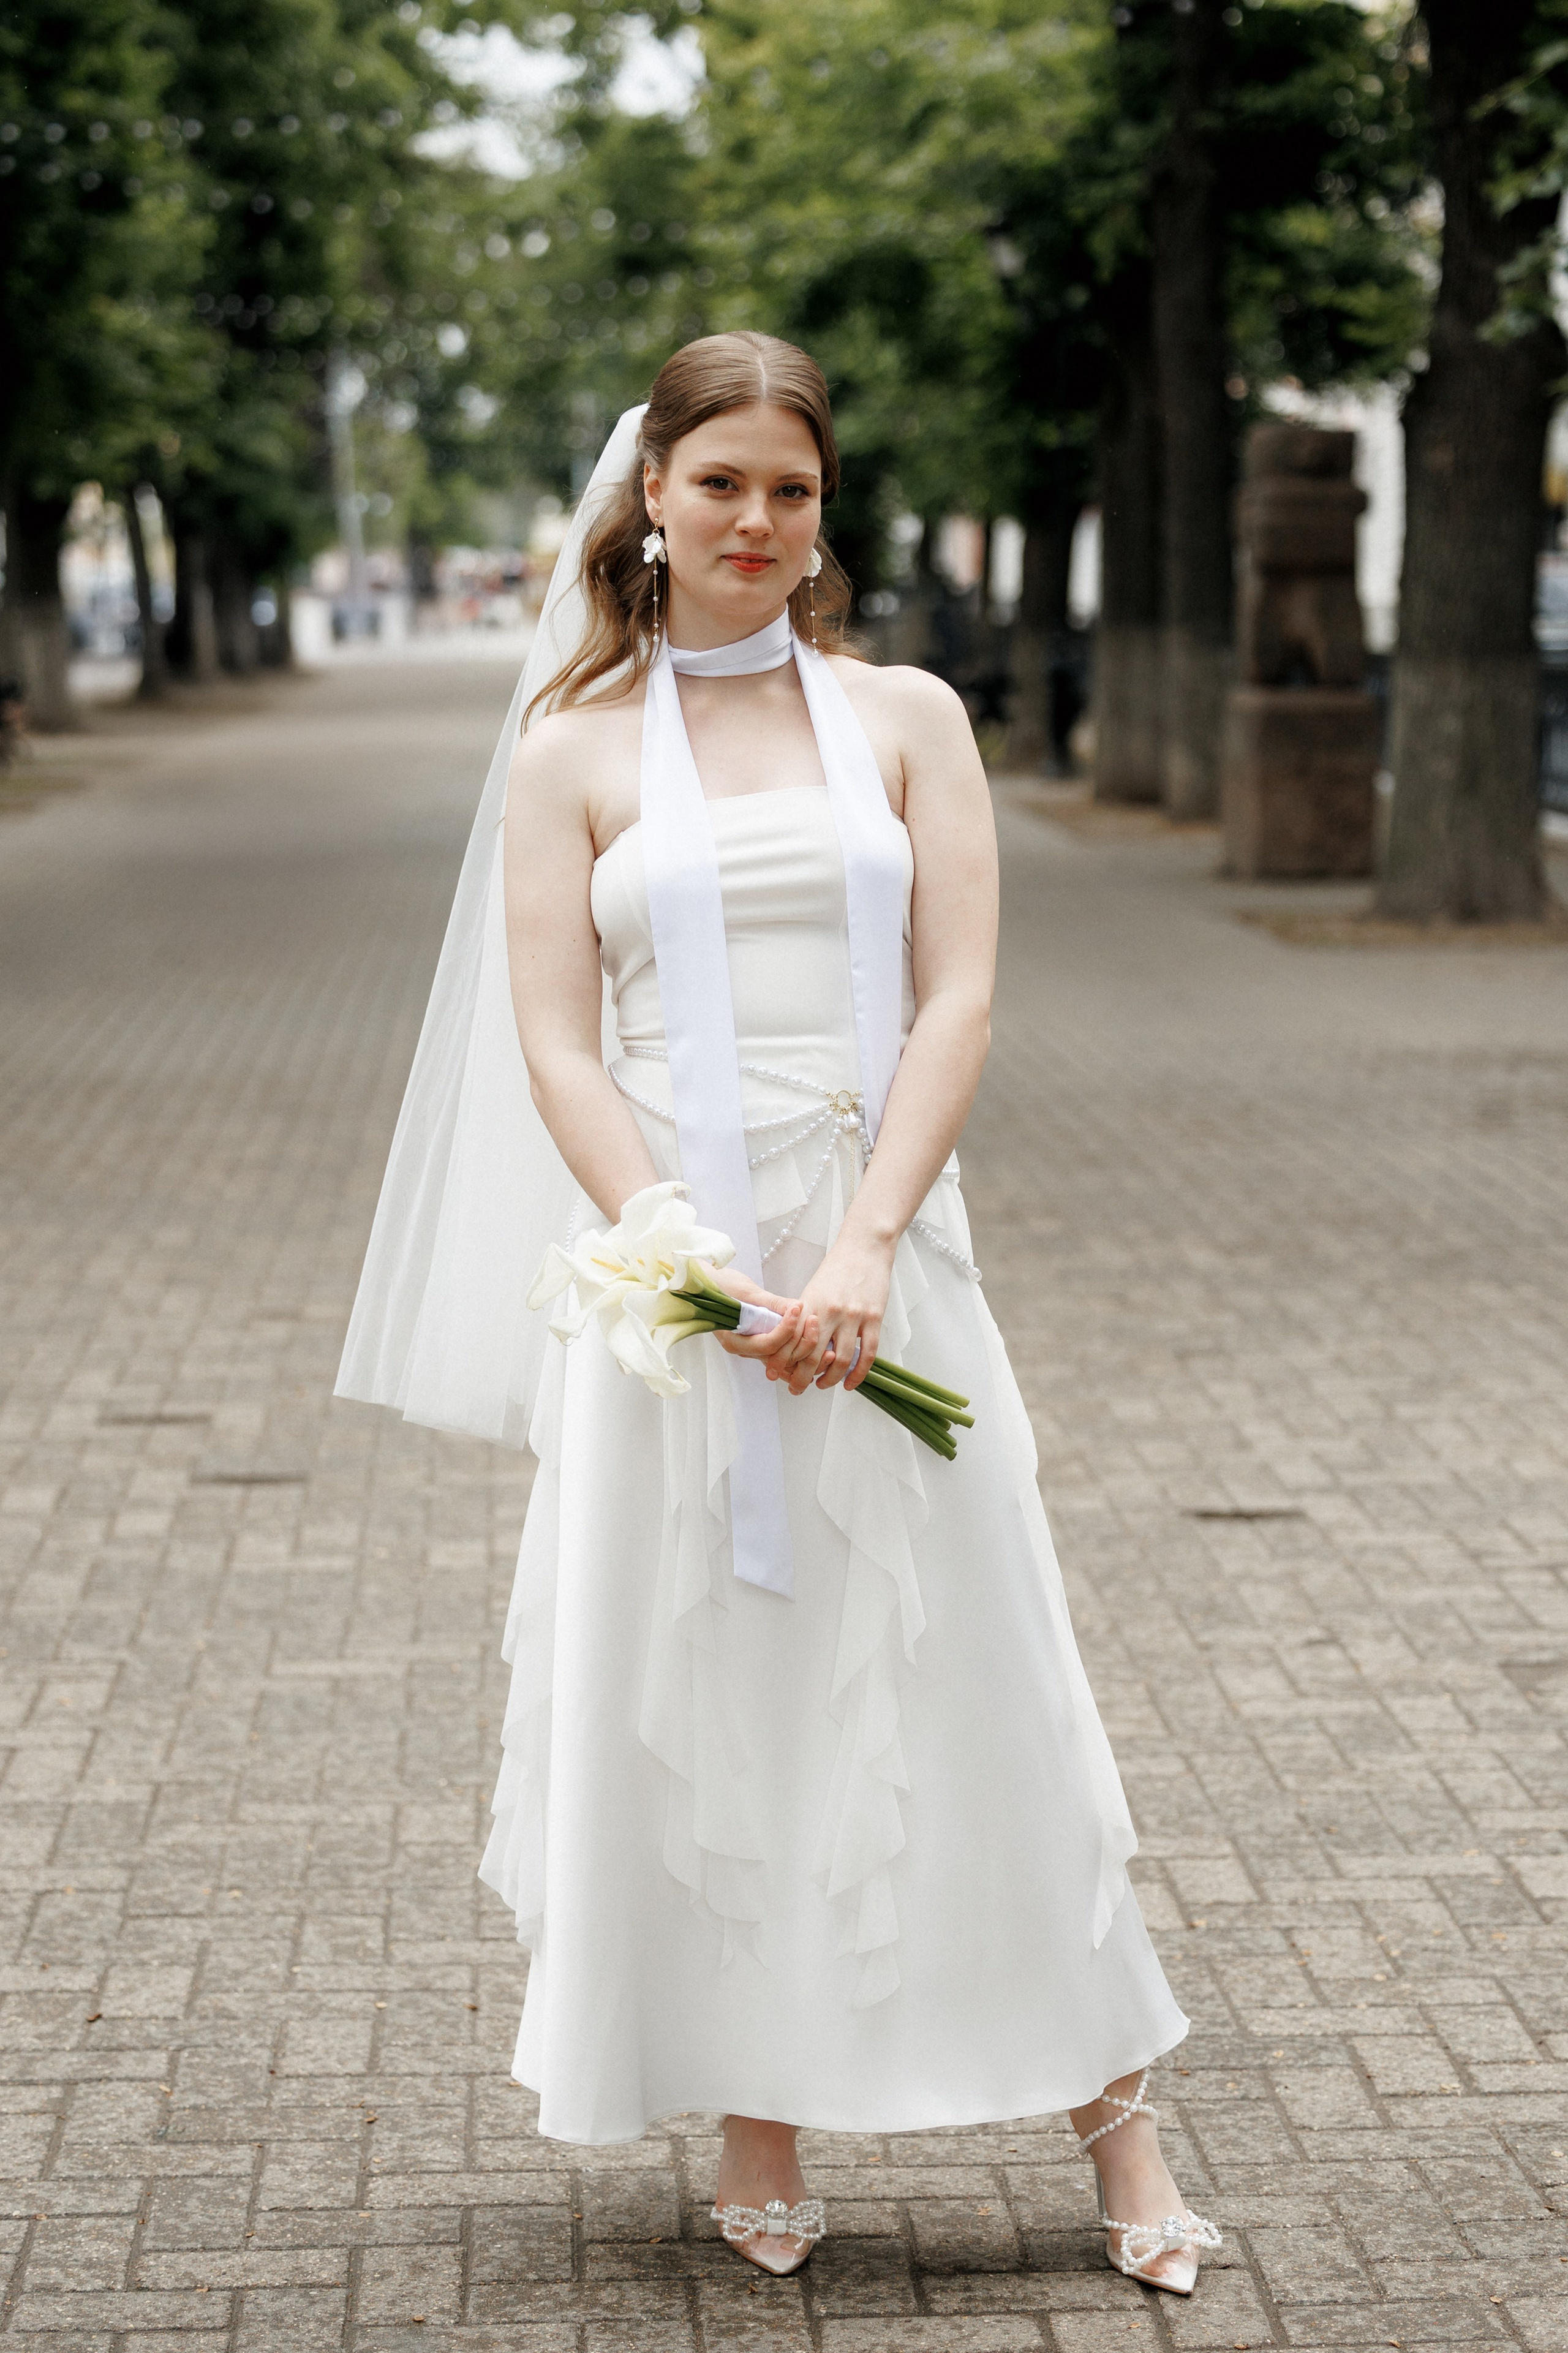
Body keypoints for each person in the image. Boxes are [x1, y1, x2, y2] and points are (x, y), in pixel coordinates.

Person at [337, 331, 1219, 2297]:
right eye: (720, 479)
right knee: (717, 1675)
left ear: (827, 511)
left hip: (885, 1238)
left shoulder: (906, 715)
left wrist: (866, 1247)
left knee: (981, 1655)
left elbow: (960, 994)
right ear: (649, 492)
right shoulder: (568, 750)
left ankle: (1121, 2121)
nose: (756, 519)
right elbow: (558, 1039)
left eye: (792, 489)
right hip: (680, 1277)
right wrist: (689, 1256)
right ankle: (754, 2114)